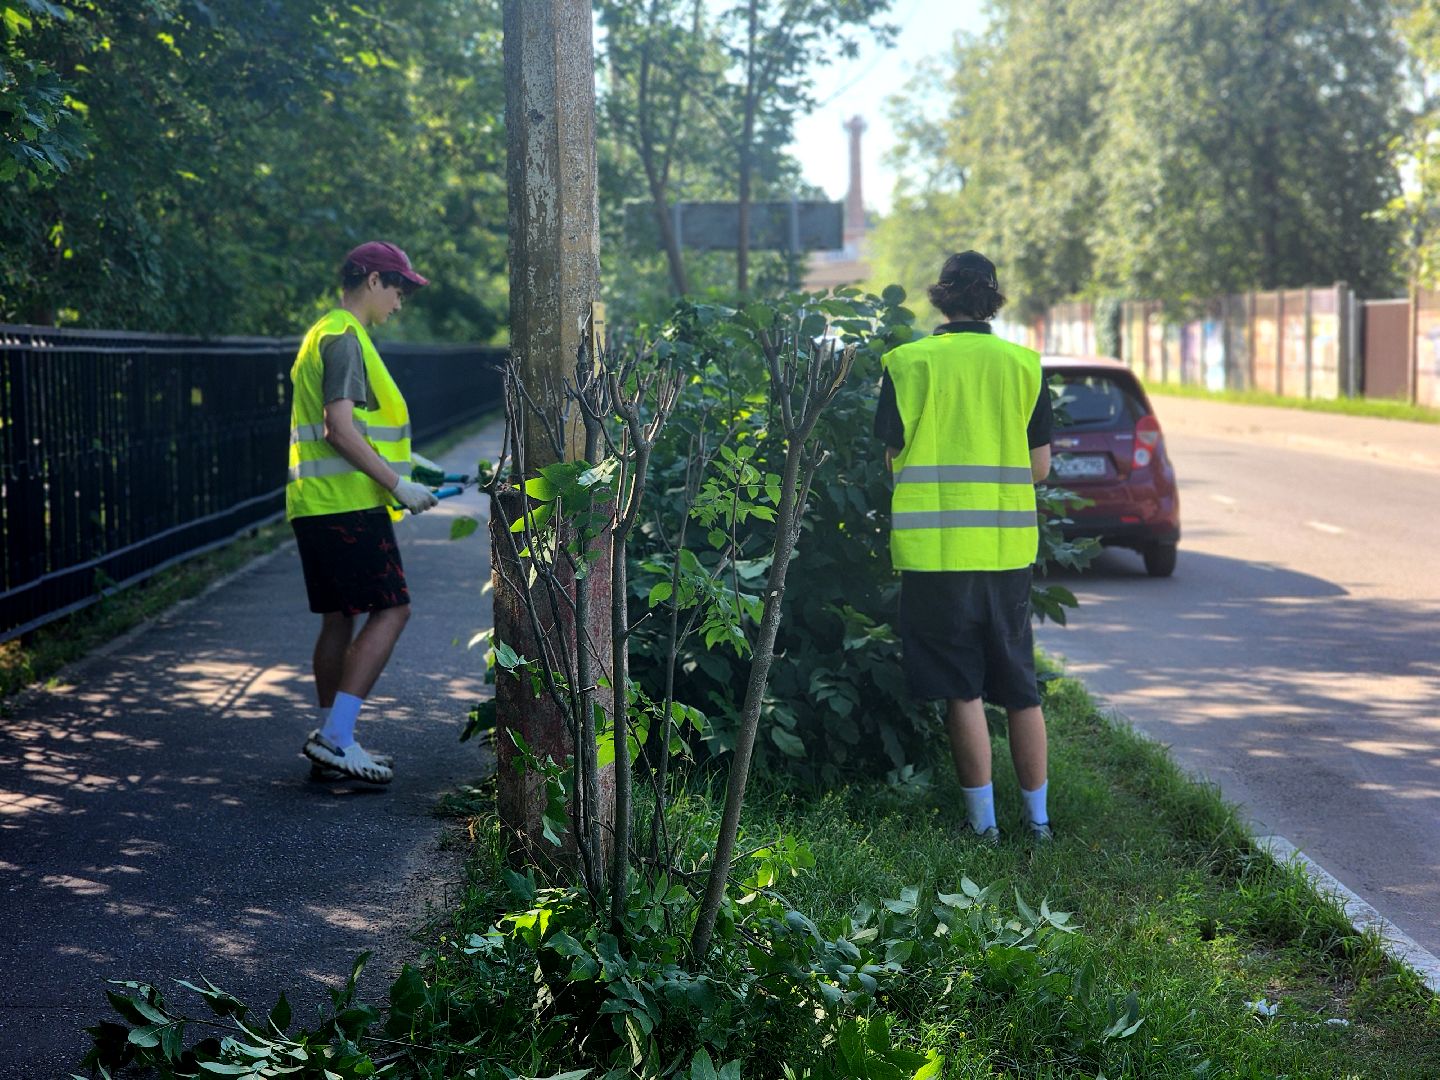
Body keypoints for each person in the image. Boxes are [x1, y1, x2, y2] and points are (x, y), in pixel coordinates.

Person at [874, 250, 1055, 843]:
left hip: (936, 554)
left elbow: (893, 460)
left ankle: (983, 828)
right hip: (1006, 550)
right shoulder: (1023, 366)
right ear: (993, 300)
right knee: (1020, 687)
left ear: (941, 297)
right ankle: (1040, 822)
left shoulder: (907, 364)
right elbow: (1040, 467)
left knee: (962, 687)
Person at [286, 241, 440, 784]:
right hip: (348, 506)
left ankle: (334, 738)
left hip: (315, 504)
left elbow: (349, 430)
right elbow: (339, 429)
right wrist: (399, 484)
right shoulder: (346, 339)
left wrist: (408, 462)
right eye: (398, 287)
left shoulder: (322, 332)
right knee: (393, 610)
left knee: (339, 617)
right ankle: (335, 736)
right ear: (372, 280)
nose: (400, 301)